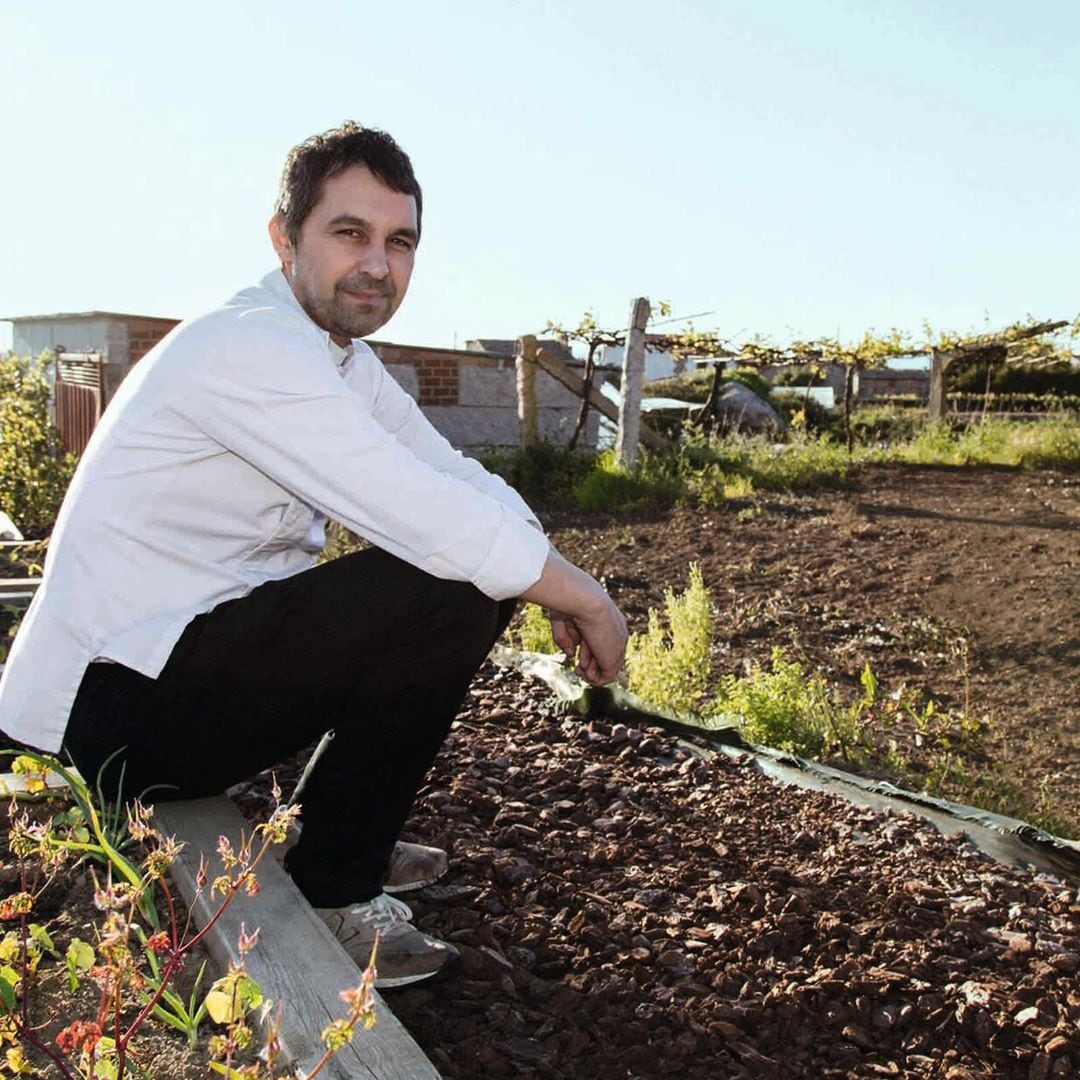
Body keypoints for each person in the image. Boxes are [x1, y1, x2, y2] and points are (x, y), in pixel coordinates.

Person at [0, 122, 628, 988]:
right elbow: (427, 518)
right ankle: (336, 886)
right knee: (450, 588)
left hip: (169, 673)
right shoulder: (249, 347)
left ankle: (342, 831)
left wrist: (555, 574)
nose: (378, 263)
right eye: (350, 234)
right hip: (100, 714)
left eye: (399, 241)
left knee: (471, 575)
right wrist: (585, 597)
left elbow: (452, 476)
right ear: (283, 238)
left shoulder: (339, 362)